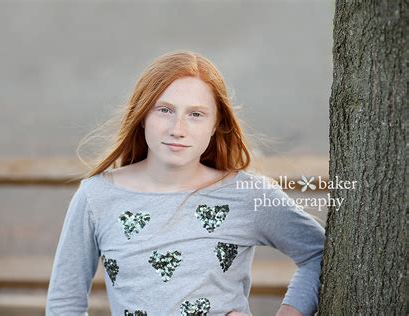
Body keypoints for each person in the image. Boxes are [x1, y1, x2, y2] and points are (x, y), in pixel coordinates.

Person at [45, 50, 326, 316]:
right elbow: (65, 301)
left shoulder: (247, 195)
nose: (177, 129)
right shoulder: (97, 197)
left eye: (196, 114)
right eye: (164, 110)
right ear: (142, 115)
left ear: (216, 124)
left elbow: (319, 253)